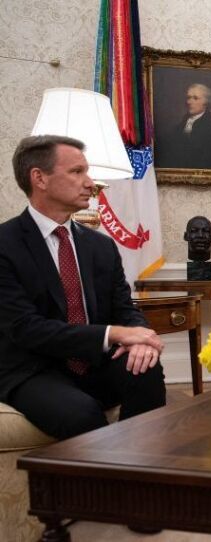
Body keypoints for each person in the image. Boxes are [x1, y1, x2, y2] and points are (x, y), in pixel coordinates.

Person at [0, 135, 166, 440]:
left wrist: (139, 338)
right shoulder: (5, 245)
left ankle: (145, 476)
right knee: (81, 413)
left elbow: (125, 308)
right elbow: (26, 329)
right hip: (33, 370)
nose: (90, 183)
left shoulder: (100, 246)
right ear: (40, 178)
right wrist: (114, 334)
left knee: (146, 369)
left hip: (93, 363)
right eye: (77, 172)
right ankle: (104, 485)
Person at [156, 83, 211, 170]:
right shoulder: (175, 130)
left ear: (206, 102)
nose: (189, 102)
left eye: (195, 98)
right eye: (188, 97)